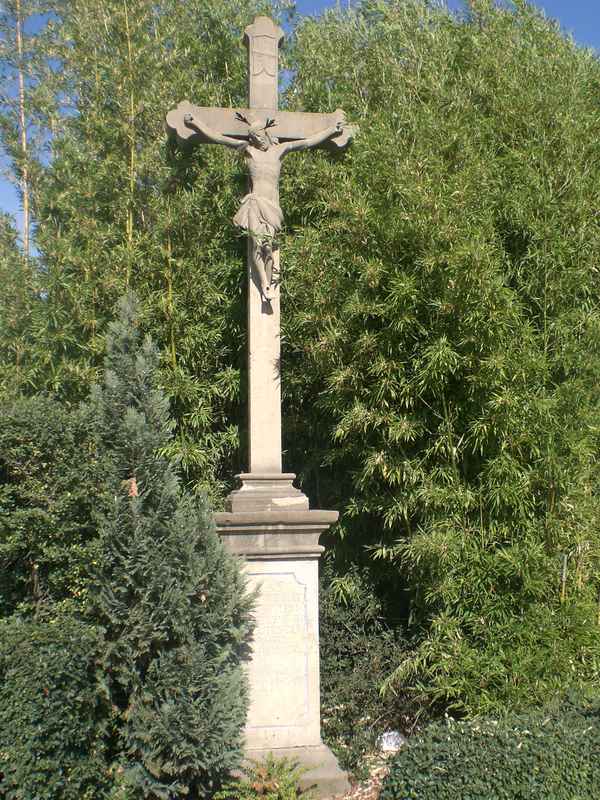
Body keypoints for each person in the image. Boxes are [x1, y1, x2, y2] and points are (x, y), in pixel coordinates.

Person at [184, 110, 345, 302]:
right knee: (257, 244)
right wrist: (196, 123)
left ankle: (269, 281)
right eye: (254, 137)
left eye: (260, 135)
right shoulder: (248, 150)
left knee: (268, 247)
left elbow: (308, 142)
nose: (258, 140)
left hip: (272, 207)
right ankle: (265, 285)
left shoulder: (281, 150)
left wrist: (330, 131)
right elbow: (219, 138)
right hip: (254, 202)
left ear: (266, 134)